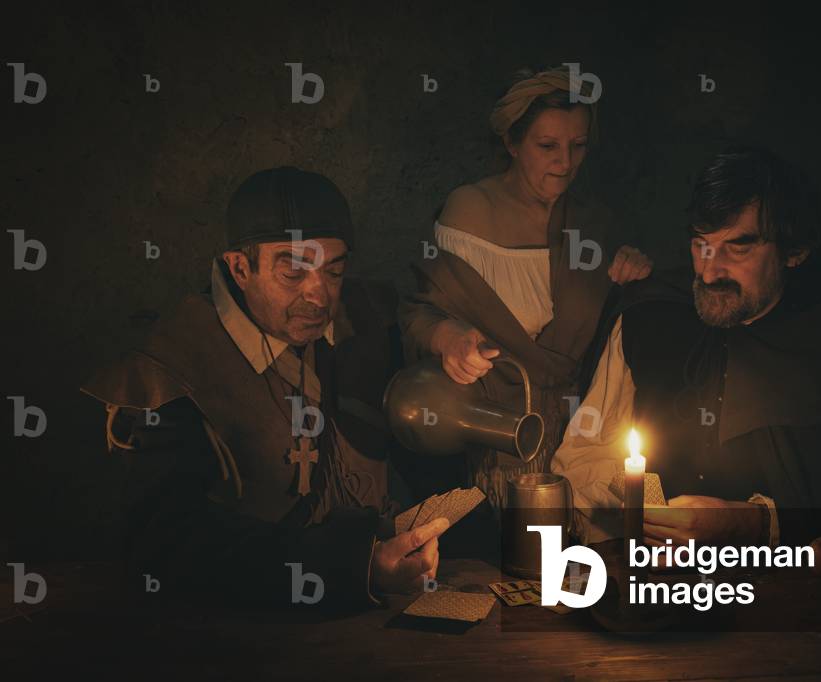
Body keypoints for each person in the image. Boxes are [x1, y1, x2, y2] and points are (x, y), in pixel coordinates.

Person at [82, 167, 448, 611]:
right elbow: (163, 550)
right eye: (293, 273)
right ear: (240, 268)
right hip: (233, 636)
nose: (320, 296)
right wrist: (355, 565)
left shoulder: (368, 319)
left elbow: (421, 454)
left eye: (334, 271)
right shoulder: (170, 371)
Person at [552, 146, 821, 570]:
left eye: (738, 247)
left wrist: (754, 525)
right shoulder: (652, 315)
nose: (710, 272)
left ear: (794, 251)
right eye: (701, 244)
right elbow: (586, 457)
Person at [400, 64, 653, 513]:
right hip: (496, 432)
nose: (565, 162)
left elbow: (615, 332)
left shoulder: (591, 223)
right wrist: (452, 341)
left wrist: (632, 271)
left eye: (578, 146)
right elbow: (423, 310)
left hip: (581, 435)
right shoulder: (471, 211)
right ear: (512, 143)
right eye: (548, 146)